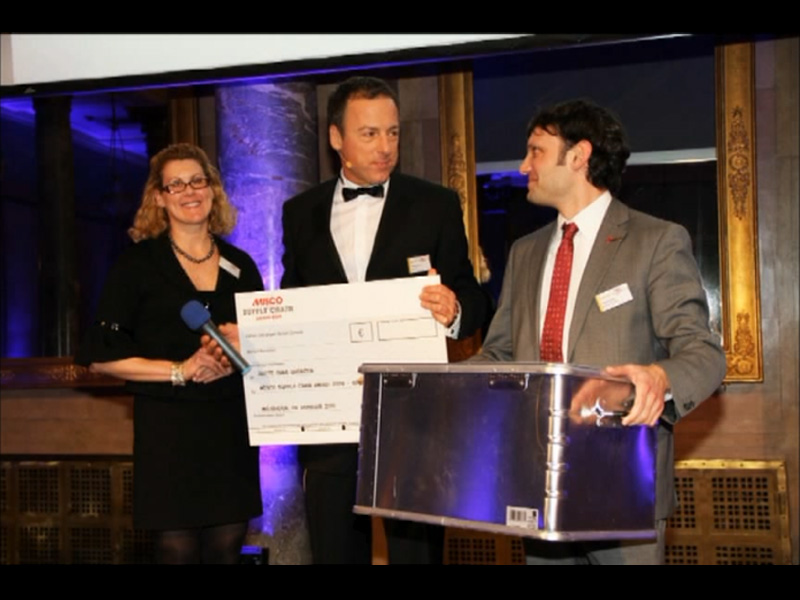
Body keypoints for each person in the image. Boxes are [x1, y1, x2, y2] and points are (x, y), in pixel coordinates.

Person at [475, 98, 726, 564]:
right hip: (537, 484)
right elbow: (500, 354)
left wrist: (660, 377)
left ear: (578, 155)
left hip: (624, 486)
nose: (523, 165)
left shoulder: (656, 241)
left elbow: (703, 352)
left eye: (536, 151)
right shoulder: (525, 252)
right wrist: (432, 378)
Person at [280, 75, 489, 564]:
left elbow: (476, 298)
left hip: (414, 419)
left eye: (393, 132)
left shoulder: (435, 204)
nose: (385, 147)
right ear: (336, 138)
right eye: (370, 133)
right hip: (329, 424)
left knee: (416, 557)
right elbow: (293, 301)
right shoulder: (300, 212)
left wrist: (455, 310)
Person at [75, 143, 263, 564]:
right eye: (175, 185)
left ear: (213, 190)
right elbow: (99, 355)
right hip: (168, 429)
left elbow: (268, 343)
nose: (189, 191)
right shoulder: (137, 265)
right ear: (159, 198)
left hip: (230, 426)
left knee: (227, 546)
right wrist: (181, 369)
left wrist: (244, 344)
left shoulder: (242, 265)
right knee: (176, 551)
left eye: (197, 181)